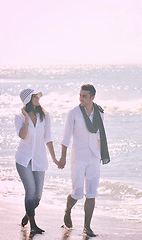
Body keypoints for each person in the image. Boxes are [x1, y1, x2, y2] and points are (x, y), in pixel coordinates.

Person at [59, 84, 110, 237]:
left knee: (92, 193)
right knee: (77, 192)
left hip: (94, 157)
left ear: (92, 98)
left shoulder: (99, 113)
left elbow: (99, 136)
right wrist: (62, 157)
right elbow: (66, 137)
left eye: (84, 96)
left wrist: (101, 155)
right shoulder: (74, 113)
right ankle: (67, 211)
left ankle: (87, 227)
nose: (81, 98)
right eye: (80, 95)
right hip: (78, 157)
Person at [15, 88, 61, 235]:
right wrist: (27, 118)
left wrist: (55, 159)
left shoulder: (45, 116)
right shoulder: (19, 117)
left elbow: (48, 138)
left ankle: (28, 214)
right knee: (30, 192)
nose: (37, 98)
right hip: (23, 159)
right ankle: (33, 226)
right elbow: (22, 136)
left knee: (37, 197)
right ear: (28, 100)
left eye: (37, 96)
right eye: (34, 96)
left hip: (39, 159)